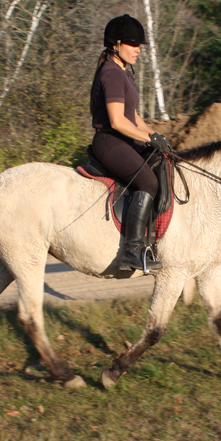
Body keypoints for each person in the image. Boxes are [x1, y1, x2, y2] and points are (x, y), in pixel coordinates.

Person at [90, 14, 171, 272]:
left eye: (140, 45)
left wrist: (156, 135)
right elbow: (117, 121)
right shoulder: (111, 74)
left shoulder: (124, 72)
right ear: (116, 44)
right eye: (132, 44)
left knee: (162, 162)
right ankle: (132, 252)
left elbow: (133, 115)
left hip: (125, 139)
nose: (138, 50)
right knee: (147, 181)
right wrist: (148, 138)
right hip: (110, 141)